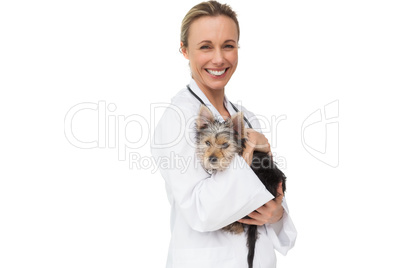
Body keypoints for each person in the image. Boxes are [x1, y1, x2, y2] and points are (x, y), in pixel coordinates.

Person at [151, 1, 296, 267]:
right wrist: (248, 151)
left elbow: (269, 195)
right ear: (184, 50)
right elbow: (201, 211)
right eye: (206, 46)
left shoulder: (245, 116)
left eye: (228, 45)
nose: (219, 59)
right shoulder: (178, 118)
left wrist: (277, 214)